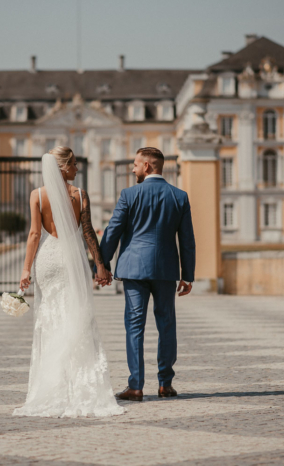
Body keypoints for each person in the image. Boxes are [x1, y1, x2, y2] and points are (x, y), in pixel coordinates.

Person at [14, 146, 124, 418]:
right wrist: (100, 265)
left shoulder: (37, 195)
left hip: (48, 261)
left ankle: (51, 383)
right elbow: (87, 233)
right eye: (73, 164)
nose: (77, 168)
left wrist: (26, 270)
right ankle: (78, 385)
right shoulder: (79, 195)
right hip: (71, 261)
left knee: (51, 318)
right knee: (76, 315)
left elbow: (34, 235)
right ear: (63, 167)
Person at [100, 147, 196, 402]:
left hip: (134, 268)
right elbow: (187, 240)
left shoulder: (129, 195)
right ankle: (165, 383)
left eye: (135, 164)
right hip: (165, 269)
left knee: (134, 326)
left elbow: (113, 231)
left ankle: (136, 386)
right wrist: (188, 275)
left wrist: (102, 263)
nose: (132, 169)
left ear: (148, 166)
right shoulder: (179, 196)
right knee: (166, 324)